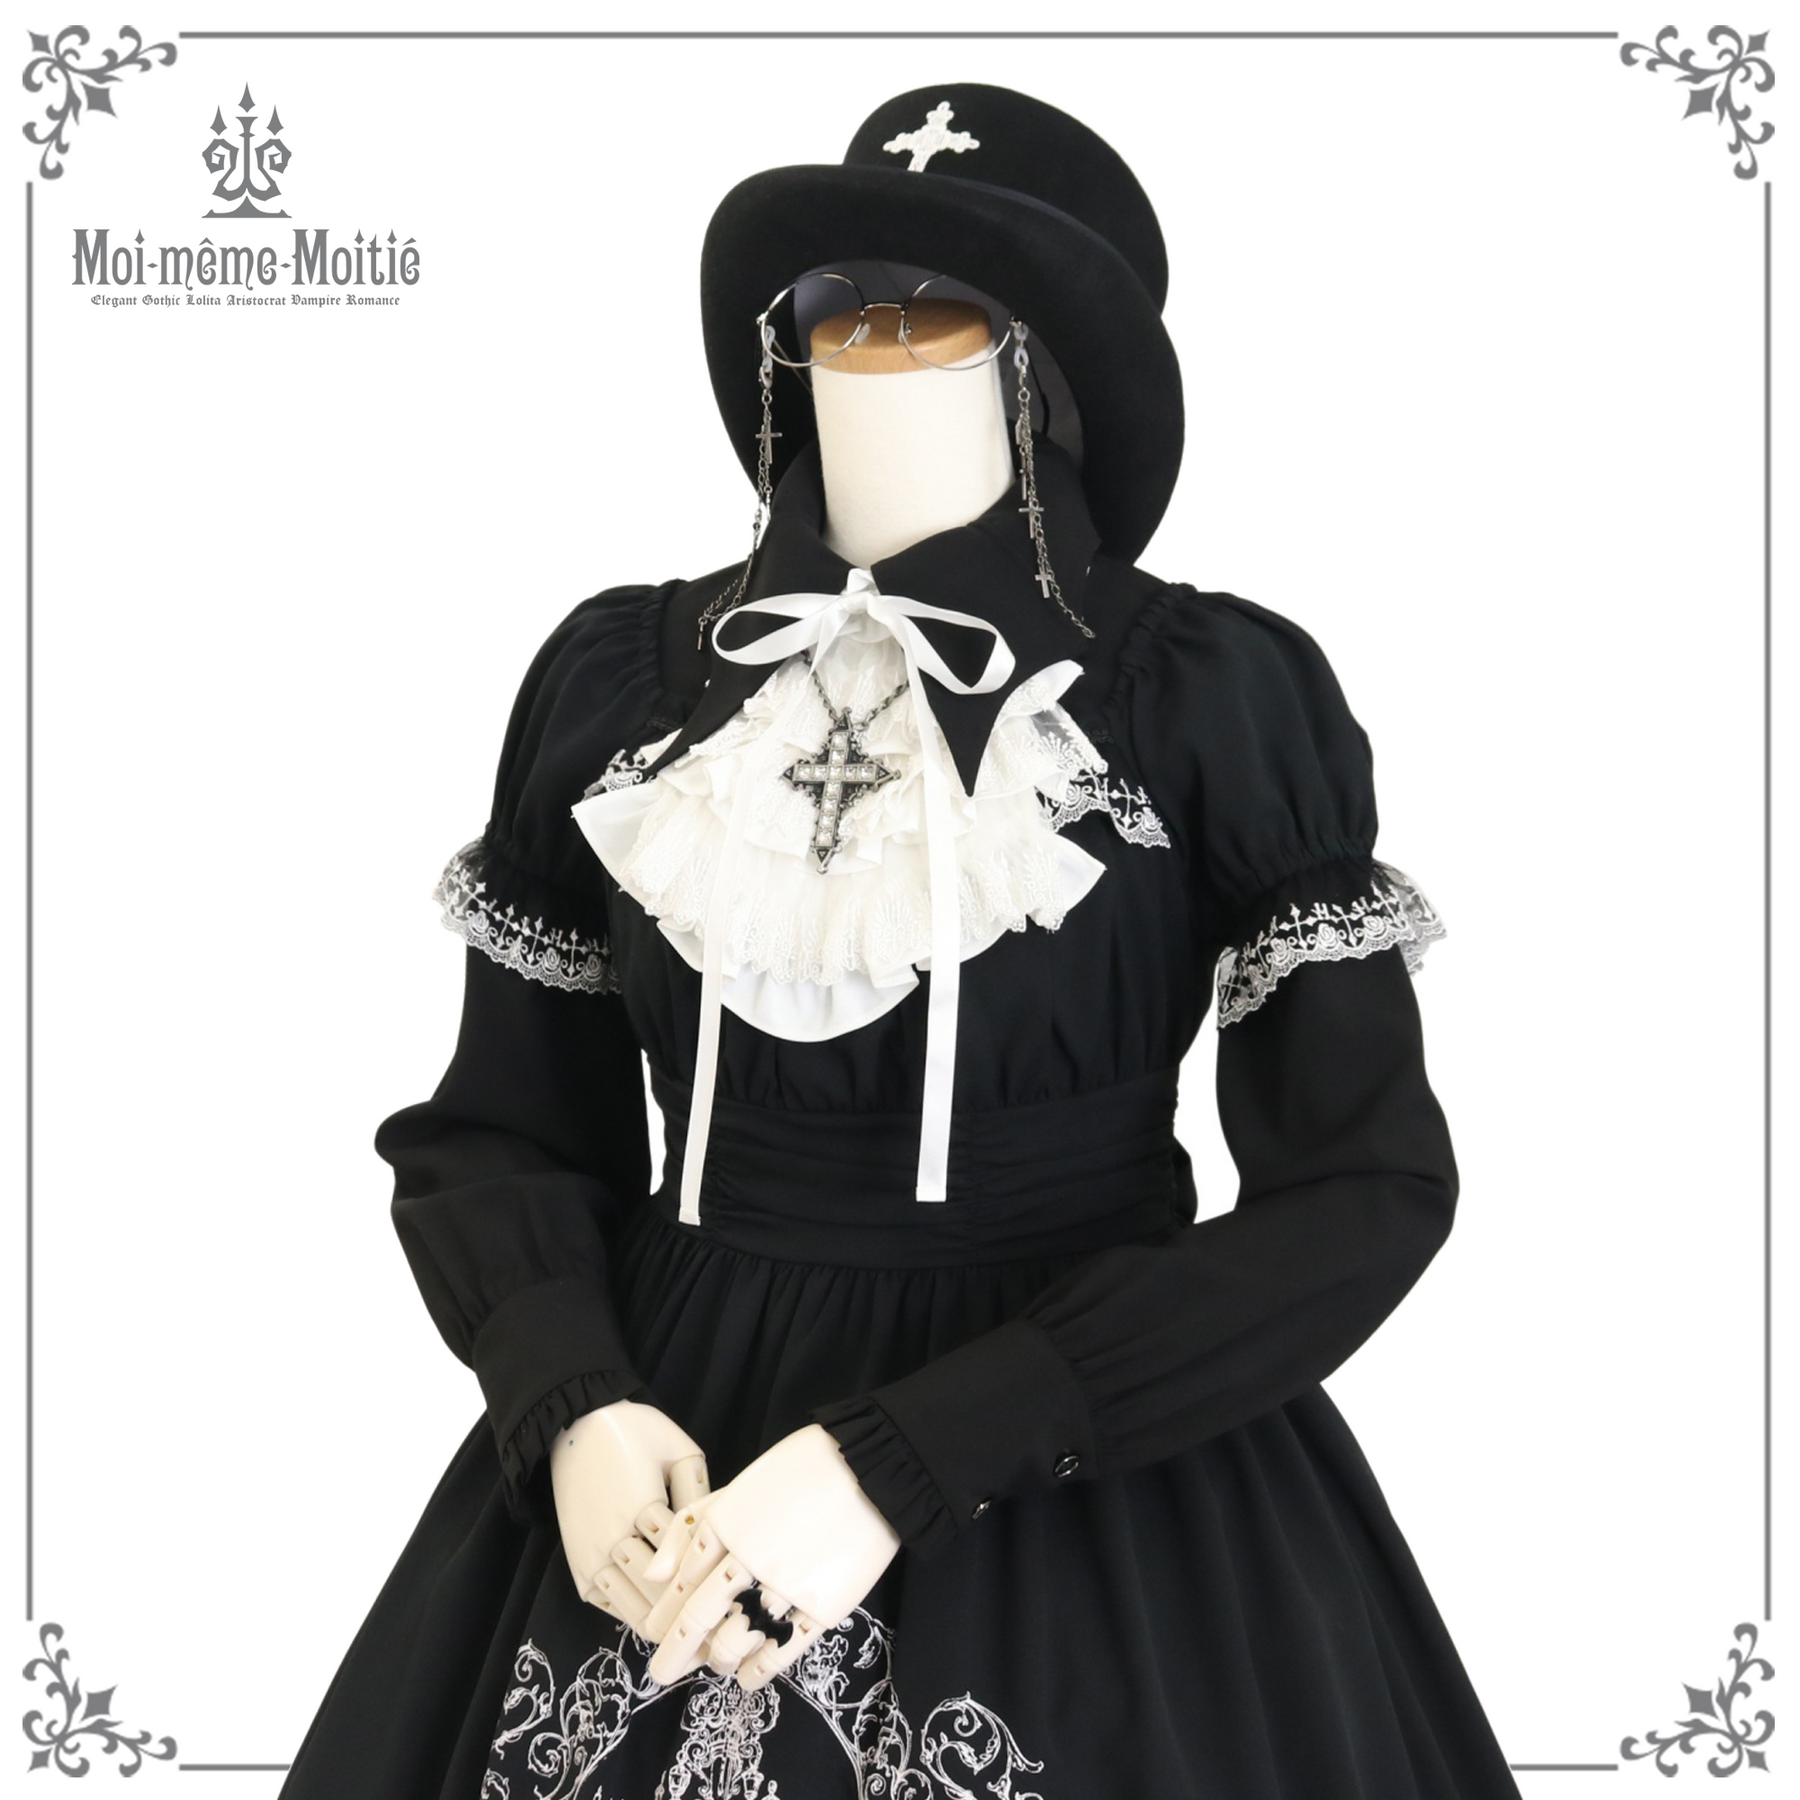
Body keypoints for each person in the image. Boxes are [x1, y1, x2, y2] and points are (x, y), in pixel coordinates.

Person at [279, 81, 1525, 1799]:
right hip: (664, 1475)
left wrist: (913, 1454)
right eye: (839, 290)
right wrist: (568, 1398)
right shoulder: (622, 684)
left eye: (942, 297)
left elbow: (1363, 1187)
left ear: (1046, 371)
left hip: (1097, 1472)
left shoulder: (1202, 699)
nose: (873, 326)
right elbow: (502, 1126)